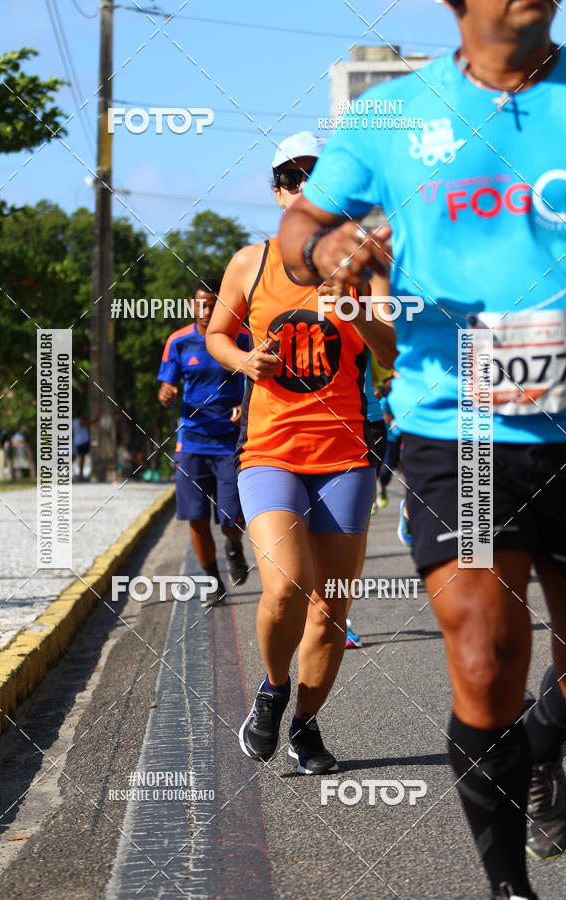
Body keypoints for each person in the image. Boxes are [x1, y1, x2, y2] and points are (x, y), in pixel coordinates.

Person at [278, 3, 566, 896]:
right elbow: (299, 232)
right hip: (463, 428)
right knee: (487, 654)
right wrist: (328, 243)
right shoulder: (392, 114)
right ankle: (509, 887)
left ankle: (540, 747)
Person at [206, 132, 396, 774]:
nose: (305, 188)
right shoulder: (249, 263)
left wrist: (357, 311)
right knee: (286, 585)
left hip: (343, 457)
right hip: (269, 452)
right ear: (279, 193)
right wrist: (242, 359)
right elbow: (217, 333)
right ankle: (272, 690)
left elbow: (392, 351)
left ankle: (307, 729)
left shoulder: (367, 261)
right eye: (293, 178)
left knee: (331, 606)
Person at [158, 277, 250, 607]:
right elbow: (166, 386)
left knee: (231, 519)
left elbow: (256, 380)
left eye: (213, 304)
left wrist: (244, 405)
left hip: (230, 444)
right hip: (192, 443)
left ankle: (234, 545)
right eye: (201, 304)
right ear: (191, 306)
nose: (207, 311)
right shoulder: (178, 341)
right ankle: (213, 582)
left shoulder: (242, 338)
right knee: (196, 518)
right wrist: (166, 393)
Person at [72, 411, 91, 481]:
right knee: (82, 459)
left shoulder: (73, 422)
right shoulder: (81, 421)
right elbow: (92, 422)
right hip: (83, 442)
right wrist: (98, 415)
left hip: (77, 442)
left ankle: (78, 474)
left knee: (79, 458)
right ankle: (80, 474)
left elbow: (72, 432)